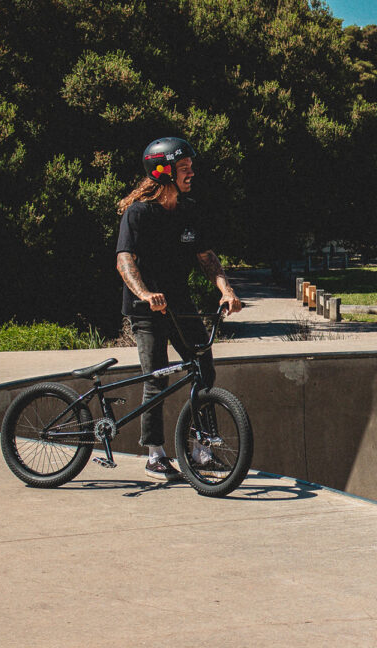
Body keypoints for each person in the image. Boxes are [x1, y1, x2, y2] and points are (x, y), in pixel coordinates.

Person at [115, 136, 242, 481]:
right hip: (146, 308)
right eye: (184, 167)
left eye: (190, 167)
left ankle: (201, 449)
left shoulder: (189, 210)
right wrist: (145, 293)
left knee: (203, 368)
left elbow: (207, 257)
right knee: (156, 377)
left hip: (179, 304)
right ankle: (155, 454)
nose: (191, 173)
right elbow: (125, 260)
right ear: (164, 172)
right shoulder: (138, 213)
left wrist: (227, 291)